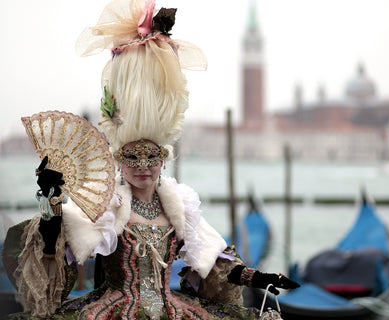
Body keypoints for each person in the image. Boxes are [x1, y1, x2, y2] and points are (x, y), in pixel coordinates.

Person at [1, 0, 299, 319]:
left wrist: (261, 278)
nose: (143, 165)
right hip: (114, 310)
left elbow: (215, 261)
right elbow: (55, 250)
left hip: (172, 309)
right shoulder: (107, 205)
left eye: (151, 157)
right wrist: (51, 203)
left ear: (163, 159)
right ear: (119, 159)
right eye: (133, 157)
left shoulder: (179, 204)